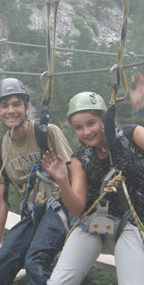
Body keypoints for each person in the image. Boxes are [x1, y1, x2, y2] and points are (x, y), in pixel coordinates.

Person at [43, 91, 144, 284]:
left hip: (132, 221)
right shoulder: (80, 158)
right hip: (93, 222)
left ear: (104, 119)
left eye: (91, 123)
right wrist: (63, 181)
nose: (86, 132)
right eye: (79, 128)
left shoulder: (131, 136)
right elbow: (77, 207)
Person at [0, 78, 73, 285]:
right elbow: (1, 201)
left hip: (60, 206)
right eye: (4, 106)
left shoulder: (47, 133)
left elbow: (74, 173)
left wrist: (79, 215)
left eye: (17, 104)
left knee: (35, 263)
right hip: (35, 215)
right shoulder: (0, 149)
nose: (11, 111)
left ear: (27, 107)